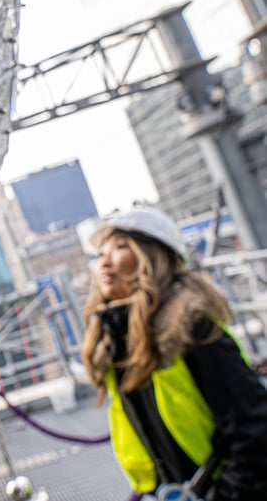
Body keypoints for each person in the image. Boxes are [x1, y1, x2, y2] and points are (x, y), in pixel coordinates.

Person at [81, 207, 267, 501]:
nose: (103, 261)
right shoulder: (115, 339)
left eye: (119, 247)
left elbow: (255, 427)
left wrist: (228, 495)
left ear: (152, 257)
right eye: (100, 253)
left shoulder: (193, 329)